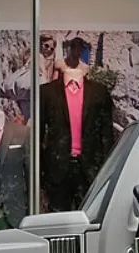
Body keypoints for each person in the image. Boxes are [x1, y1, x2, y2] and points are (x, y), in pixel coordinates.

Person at [39, 36, 115, 212]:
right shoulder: (47, 93)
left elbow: (106, 134)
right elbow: (40, 133)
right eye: (76, 47)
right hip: (57, 168)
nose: (78, 50)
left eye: (81, 47)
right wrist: (42, 171)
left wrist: (107, 168)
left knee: (91, 217)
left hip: (90, 169)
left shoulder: (98, 92)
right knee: (58, 219)